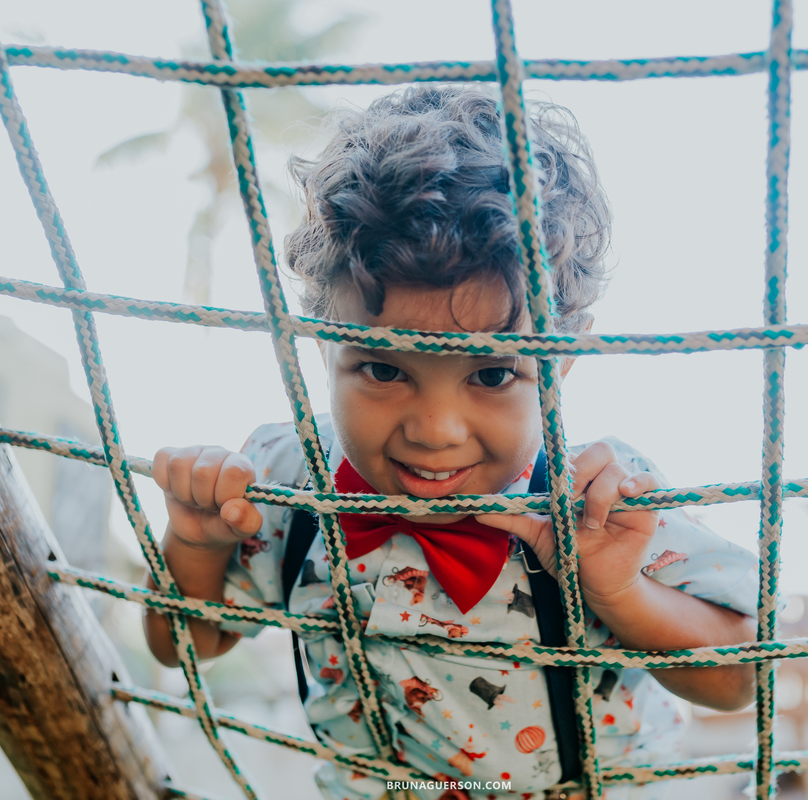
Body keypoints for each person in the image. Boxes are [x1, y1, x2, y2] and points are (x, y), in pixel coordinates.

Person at [144, 85, 759, 800]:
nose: (435, 431)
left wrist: (618, 592)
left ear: (560, 359)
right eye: (383, 369)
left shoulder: (596, 503)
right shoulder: (288, 477)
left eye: (493, 374)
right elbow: (186, 646)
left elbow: (737, 679)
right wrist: (194, 543)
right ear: (320, 344)